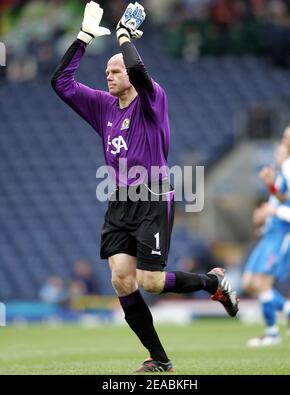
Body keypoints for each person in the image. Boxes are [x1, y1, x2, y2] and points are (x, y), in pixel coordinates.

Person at [51, 1, 239, 372]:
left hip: (152, 194)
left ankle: (212, 282)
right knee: (122, 280)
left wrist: (124, 37)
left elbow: (137, 67)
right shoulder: (104, 107)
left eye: (116, 70)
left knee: (150, 282)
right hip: (119, 200)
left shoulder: (153, 100)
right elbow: (61, 83)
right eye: (107, 71)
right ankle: (160, 359)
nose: (110, 75)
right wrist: (84, 37)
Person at [243, 127, 290, 347]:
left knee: (262, 283)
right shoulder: (286, 169)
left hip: (286, 233)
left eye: (285, 143)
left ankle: (272, 332)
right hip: (271, 233)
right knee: (249, 282)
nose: (279, 151)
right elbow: (283, 198)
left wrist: (273, 211)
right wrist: (269, 190)